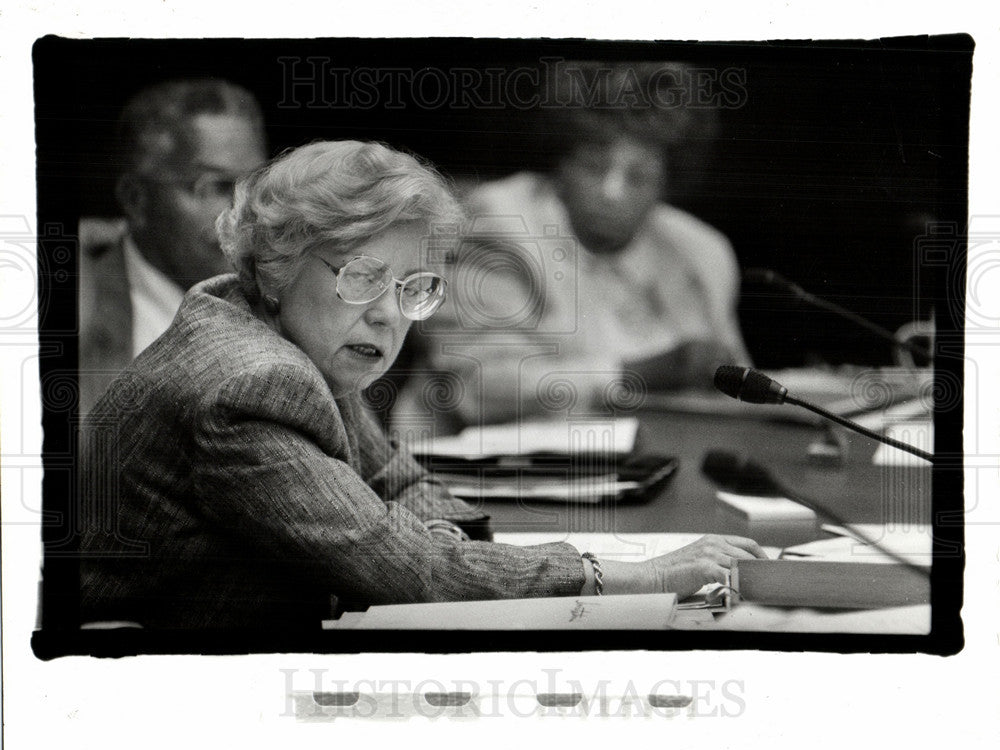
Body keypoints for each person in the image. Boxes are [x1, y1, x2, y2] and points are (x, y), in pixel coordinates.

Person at [77, 139, 766, 630]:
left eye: (413, 286)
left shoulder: (296, 331)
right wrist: (627, 573)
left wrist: (435, 538)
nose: (387, 310)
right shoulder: (251, 382)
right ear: (281, 263)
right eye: (361, 274)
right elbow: (404, 571)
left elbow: (398, 483)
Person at [396, 61, 751, 428]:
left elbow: (737, 387)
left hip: (664, 459)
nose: (612, 193)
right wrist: (636, 374)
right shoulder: (500, 220)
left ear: (668, 182)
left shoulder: (698, 251)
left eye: (639, 176)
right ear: (561, 163)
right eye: (595, 167)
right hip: (486, 469)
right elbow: (478, 389)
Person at [78, 79, 268, 415]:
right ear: (136, 200)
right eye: (214, 186)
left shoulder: (281, 301)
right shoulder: (79, 302)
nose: (245, 213)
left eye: (254, 186)